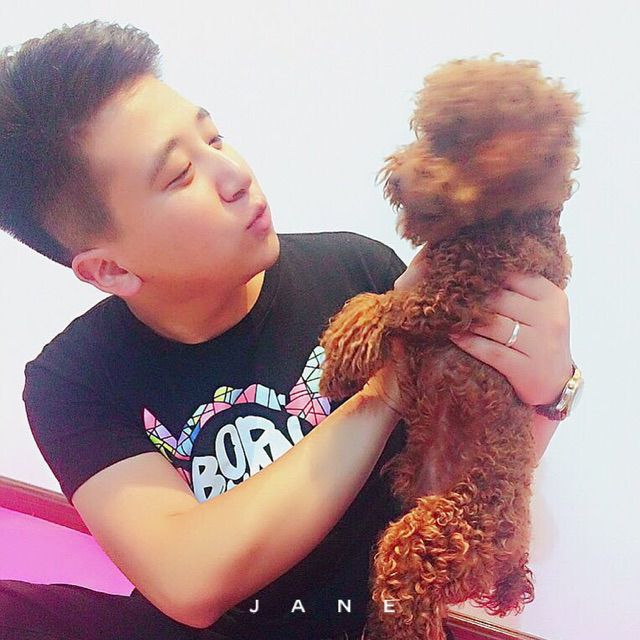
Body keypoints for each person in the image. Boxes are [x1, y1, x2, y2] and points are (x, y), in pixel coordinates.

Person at [0, 21, 577, 640]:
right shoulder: (71, 381)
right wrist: (386, 387)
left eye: (215, 138)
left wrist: (547, 395)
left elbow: (454, 492)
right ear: (110, 269)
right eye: (180, 175)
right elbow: (188, 580)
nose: (234, 175)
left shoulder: (357, 270)